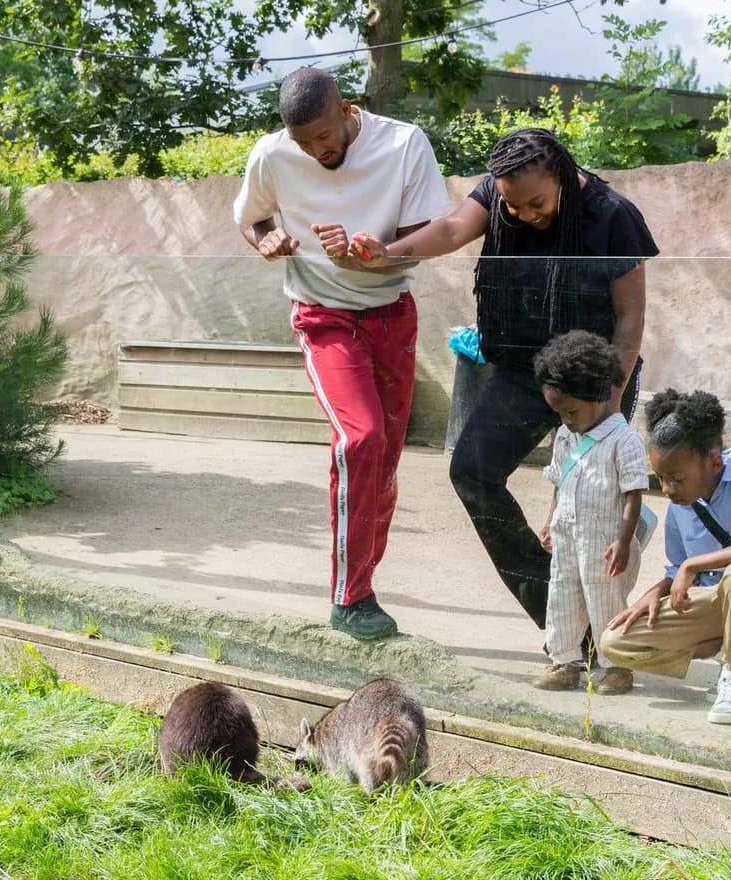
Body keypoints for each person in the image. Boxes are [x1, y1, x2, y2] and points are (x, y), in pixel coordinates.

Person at [351, 128, 658, 630]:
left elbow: (630, 318)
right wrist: (388, 252)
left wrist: (608, 405)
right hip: (520, 370)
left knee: (591, 511)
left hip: (592, 380)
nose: (523, 215)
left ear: (560, 173)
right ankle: (556, 607)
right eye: (512, 206)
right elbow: (451, 230)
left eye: (536, 202)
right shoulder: (501, 194)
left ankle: (603, 627)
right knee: (470, 471)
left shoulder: (612, 215)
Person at [233, 68, 452, 642]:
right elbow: (251, 218)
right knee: (361, 439)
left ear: (346, 109)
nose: (316, 150)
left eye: (324, 137)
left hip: (391, 316)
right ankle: (350, 598)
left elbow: (427, 236)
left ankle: (363, 580)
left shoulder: (404, 144)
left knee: (383, 463)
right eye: (303, 143)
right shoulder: (272, 155)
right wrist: (269, 242)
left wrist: (377, 256)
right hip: (322, 314)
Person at [601, 390, 731, 724]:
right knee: (615, 642)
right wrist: (656, 592)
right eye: (662, 479)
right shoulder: (682, 503)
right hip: (721, 601)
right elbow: (678, 567)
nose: (668, 489)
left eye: (677, 479)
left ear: (714, 463)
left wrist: (692, 565)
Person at [533, 331, 648, 694]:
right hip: (568, 536)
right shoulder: (566, 437)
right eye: (560, 413)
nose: (566, 420)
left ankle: (617, 666)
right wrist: (550, 519)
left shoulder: (623, 440)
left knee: (605, 602)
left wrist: (624, 541)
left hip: (605, 544)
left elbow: (634, 494)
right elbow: (558, 481)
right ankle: (564, 660)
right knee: (562, 596)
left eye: (572, 411)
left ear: (597, 397)